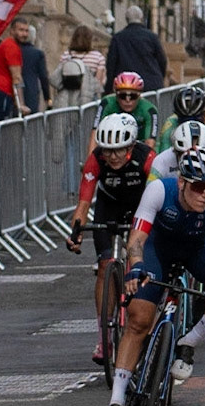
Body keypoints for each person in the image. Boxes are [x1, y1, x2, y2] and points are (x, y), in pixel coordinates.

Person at [100, 148, 205, 406]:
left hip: (198, 250)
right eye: (198, 186)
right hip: (159, 248)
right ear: (182, 181)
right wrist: (136, 266)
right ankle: (117, 401)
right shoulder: (159, 190)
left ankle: (189, 342)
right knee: (139, 319)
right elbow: (137, 239)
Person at [65, 112, 156, 363]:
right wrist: (75, 233)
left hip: (142, 205)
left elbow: (159, 196)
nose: (113, 157)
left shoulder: (147, 158)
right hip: (110, 205)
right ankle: (103, 336)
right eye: (108, 151)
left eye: (119, 151)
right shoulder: (96, 160)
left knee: (141, 260)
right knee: (105, 265)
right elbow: (83, 204)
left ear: (131, 145)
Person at [106, 4, 169, 94]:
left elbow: (111, 64)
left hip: (126, 86)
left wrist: (109, 88)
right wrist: (160, 77)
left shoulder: (118, 38)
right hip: (151, 84)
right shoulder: (152, 37)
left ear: (126, 19)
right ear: (141, 18)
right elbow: (162, 60)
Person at [0, 18, 29, 122]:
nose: (24, 34)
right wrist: (21, 104)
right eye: (21, 30)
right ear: (12, 31)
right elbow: (17, 77)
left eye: (26, 31)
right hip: (0, 92)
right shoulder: (12, 47)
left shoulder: (6, 44)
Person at [97, 73, 160, 150]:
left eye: (133, 96)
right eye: (123, 96)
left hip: (140, 149)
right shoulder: (106, 103)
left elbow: (150, 143)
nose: (128, 101)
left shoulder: (150, 110)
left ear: (139, 95)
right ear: (116, 94)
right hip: (113, 148)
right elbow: (95, 133)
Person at [148, 120, 205, 186]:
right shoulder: (161, 160)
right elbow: (150, 189)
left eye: (196, 157)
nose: (190, 161)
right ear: (176, 151)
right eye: (184, 155)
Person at [57, 26, 106, 108]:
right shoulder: (98, 57)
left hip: (68, 97)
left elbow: (59, 78)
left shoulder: (66, 56)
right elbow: (98, 83)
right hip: (89, 98)